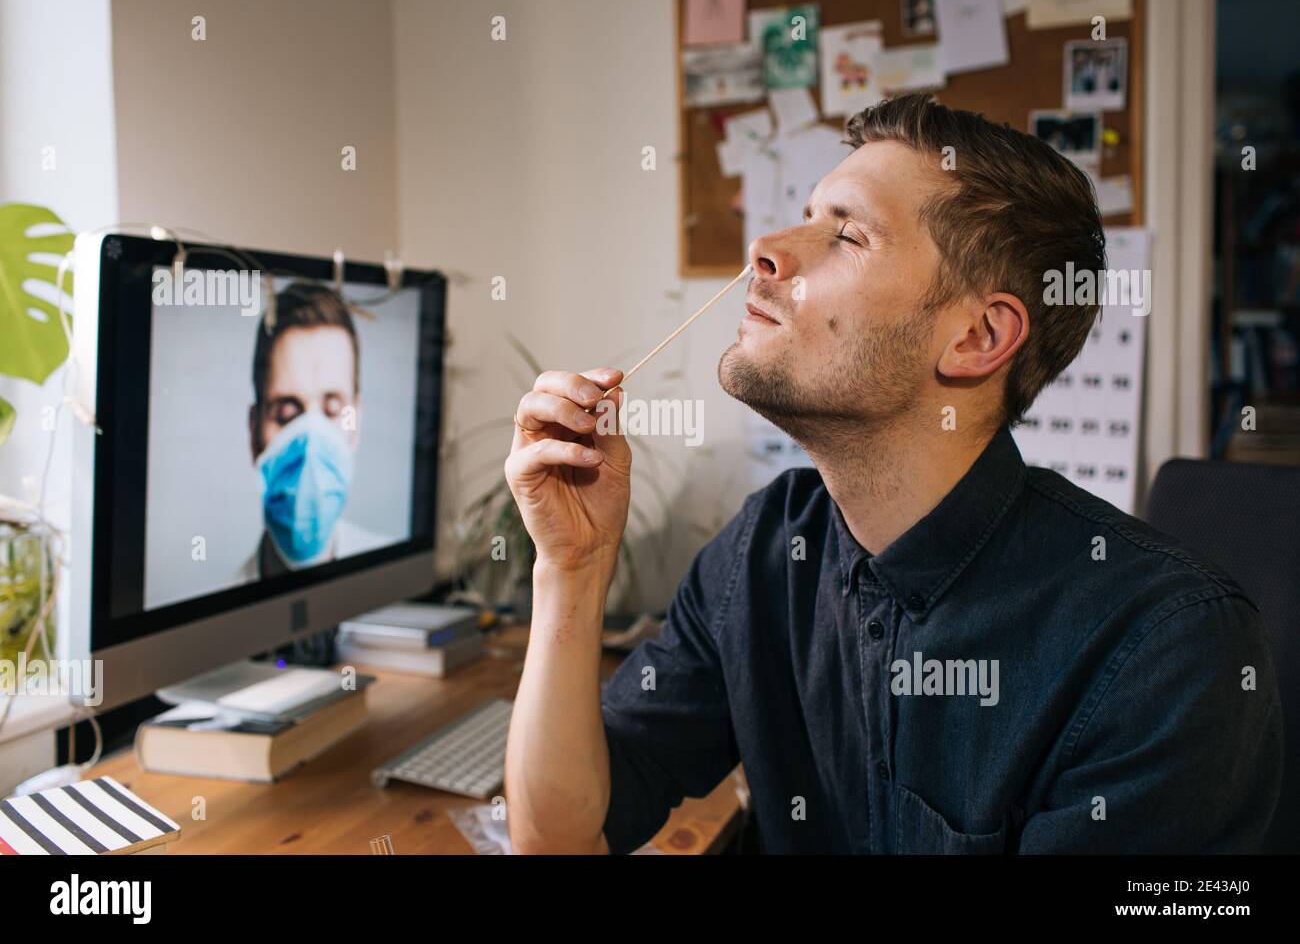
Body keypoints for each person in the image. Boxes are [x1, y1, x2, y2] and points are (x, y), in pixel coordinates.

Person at [502, 94, 1284, 854]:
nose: (765, 251)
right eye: (808, 215)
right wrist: (573, 567)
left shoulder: (1170, 651)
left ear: (977, 337)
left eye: (847, 235)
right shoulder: (764, 552)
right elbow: (564, 834)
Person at [235, 282, 386, 585]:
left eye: (332, 411)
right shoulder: (211, 623)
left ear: (355, 424)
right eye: (286, 414)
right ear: (254, 432)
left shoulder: (393, 576)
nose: (312, 442)